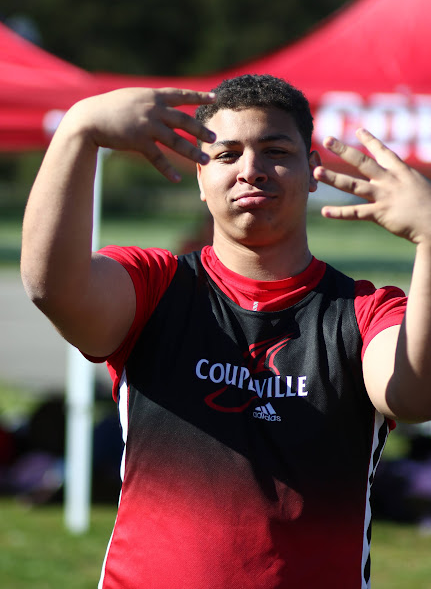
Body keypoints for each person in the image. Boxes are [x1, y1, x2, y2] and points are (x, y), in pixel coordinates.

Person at [20, 74, 431, 589]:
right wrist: (78, 130)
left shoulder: (365, 311)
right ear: (200, 176)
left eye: (276, 151)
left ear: (312, 171)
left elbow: (415, 396)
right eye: (227, 154)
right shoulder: (155, 286)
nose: (251, 170)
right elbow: (54, 288)